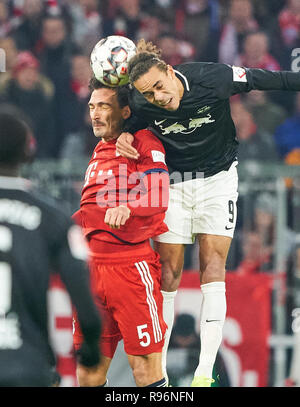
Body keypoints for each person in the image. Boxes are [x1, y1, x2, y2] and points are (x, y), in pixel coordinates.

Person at [115, 38, 300, 387]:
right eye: (149, 94)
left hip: (218, 181)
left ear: (171, 72)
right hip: (175, 183)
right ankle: (161, 377)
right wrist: (125, 133)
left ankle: (203, 374)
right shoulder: (139, 99)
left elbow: (267, 79)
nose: (157, 97)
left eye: (159, 86)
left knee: (212, 267)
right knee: (168, 273)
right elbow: (126, 122)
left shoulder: (212, 77)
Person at [72, 77, 169, 387]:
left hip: (130, 269)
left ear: (126, 111)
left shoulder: (143, 142)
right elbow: (91, 210)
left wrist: (129, 208)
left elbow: (159, 193)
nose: (95, 114)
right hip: (91, 273)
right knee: (88, 374)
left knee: (146, 371)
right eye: (91, 107)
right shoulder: (100, 150)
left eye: (103, 106)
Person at [0, 105, 102, 387]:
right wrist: (91, 352)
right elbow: (85, 305)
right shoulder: (53, 219)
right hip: (28, 366)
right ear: (28, 152)